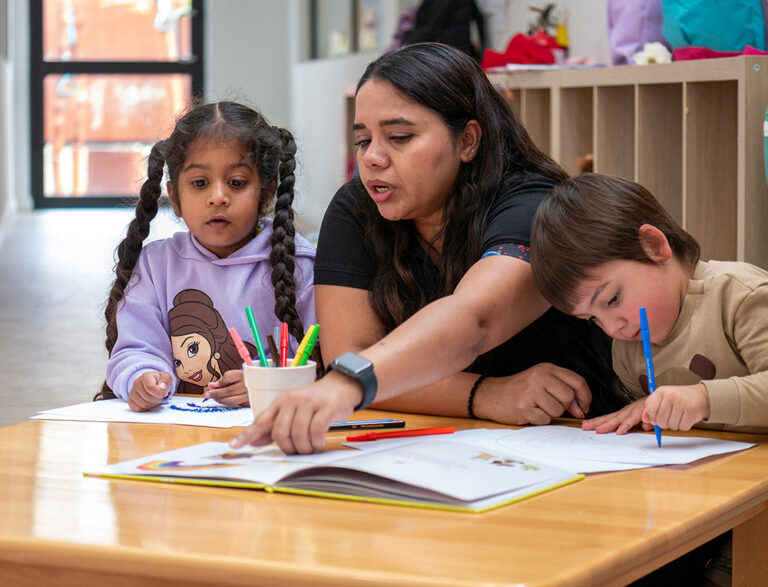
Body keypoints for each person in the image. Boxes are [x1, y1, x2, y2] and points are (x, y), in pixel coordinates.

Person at [231, 43, 624, 455]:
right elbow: (353, 356)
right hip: (451, 447)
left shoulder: (536, 206)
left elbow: (473, 319)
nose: (373, 159)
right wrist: (486, 395)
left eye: (399, 137)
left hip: (588, 441)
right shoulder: (356, 209)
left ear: (468, 140)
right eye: (364, 141)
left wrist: (346, 383)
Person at [99, 101, 317, 411]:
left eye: (237, 183)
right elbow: (135, 347)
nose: (218, 197)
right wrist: (142, 377)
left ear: (266, 195)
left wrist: (269, 381)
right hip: (180, 435)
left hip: (267, 435)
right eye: (200, 183)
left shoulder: (300, 266)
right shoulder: (155, 265)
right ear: (174, 197)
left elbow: (320, 355)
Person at [530, 173, 768, 435]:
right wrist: (646, 408)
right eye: (592, 319)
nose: (611, 328)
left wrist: (704, 399)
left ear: (653, 246)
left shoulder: (740, 295)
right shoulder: (626, 349)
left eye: (612, 299)